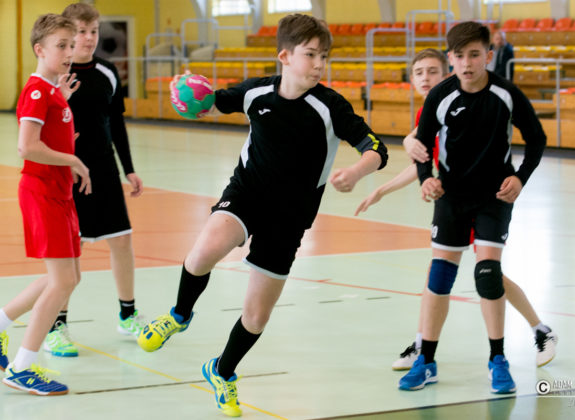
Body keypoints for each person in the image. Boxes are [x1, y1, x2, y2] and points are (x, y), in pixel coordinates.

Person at [137, 14, 388, 417]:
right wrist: (183, 90)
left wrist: (357, 171)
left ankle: (222, 371)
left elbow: (376, 148)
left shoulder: (330, 106)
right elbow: (210, 102)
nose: (319, 64)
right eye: (311, 55)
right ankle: (179, 315)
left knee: (256, 316)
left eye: (324, 56)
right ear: (285, 56)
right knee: (203, 253)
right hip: (247, 194)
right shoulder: (256, 92)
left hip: (290, 217)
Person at [355, 48, 557, 372]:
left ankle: (536, 331)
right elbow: (421, 161)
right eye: (419, 72)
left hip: (484, 197)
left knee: (487, 274)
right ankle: (424, 345)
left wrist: (407, 146)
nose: (425, 78)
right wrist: (382, 188)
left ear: (448, 71)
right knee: (449, 275)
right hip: (454, 201)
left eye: (432, 71)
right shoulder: (431, 111)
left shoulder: (462, 103)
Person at [397, 21, 546, 394]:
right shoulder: (441, 95)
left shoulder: (506, 94)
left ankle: (498, 359)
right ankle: (426, 361)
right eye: (460, 56)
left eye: (475, 55)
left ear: (489, 56)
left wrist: (521, 178)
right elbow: (422, 143)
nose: (467, 63)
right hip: (451, 196)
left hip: (495, 196)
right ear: (451, 58)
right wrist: (425, 178)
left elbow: (537, 138)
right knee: (439, 277)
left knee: (487, 274)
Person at [37, 3, 146, 359]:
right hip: (67, 173)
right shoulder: (54, 74)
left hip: (104, 169)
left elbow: (117, 123)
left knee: (122, 239)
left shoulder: (108, 72)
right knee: (70, 252)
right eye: (81, 32)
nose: (88, 38)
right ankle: (57, 326)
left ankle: (128, 314)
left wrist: (129, 168)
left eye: (94, 31)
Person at [0, 13, 91, 396]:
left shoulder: (52, 91)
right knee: (62, 280)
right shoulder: (37, 91)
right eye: (61, 45)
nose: (70, 51)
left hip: (60, 194)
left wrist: (62, 106)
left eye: (72, 45)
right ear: (40, 49)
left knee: (69, 277)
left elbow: (51, 134)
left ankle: (1, 323)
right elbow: (27, 147)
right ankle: (21, 367)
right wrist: (73, 160)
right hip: (42, 193)